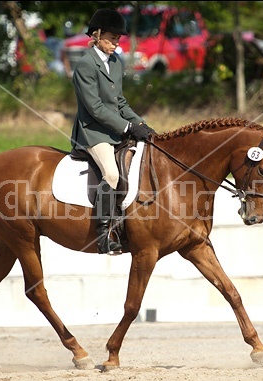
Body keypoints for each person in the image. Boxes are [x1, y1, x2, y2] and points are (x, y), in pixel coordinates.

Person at [70, 8, 156, 255]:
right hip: (93, 132)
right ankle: (104, 234)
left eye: (119, 38)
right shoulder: (86, 65)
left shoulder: (116, 62)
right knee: (111, 174)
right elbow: (95, 108)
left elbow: (119, 102)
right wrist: (127, 127)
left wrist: (140, 124)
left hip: (115, 127)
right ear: (96, 35)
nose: (116, 42)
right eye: (111, 37)